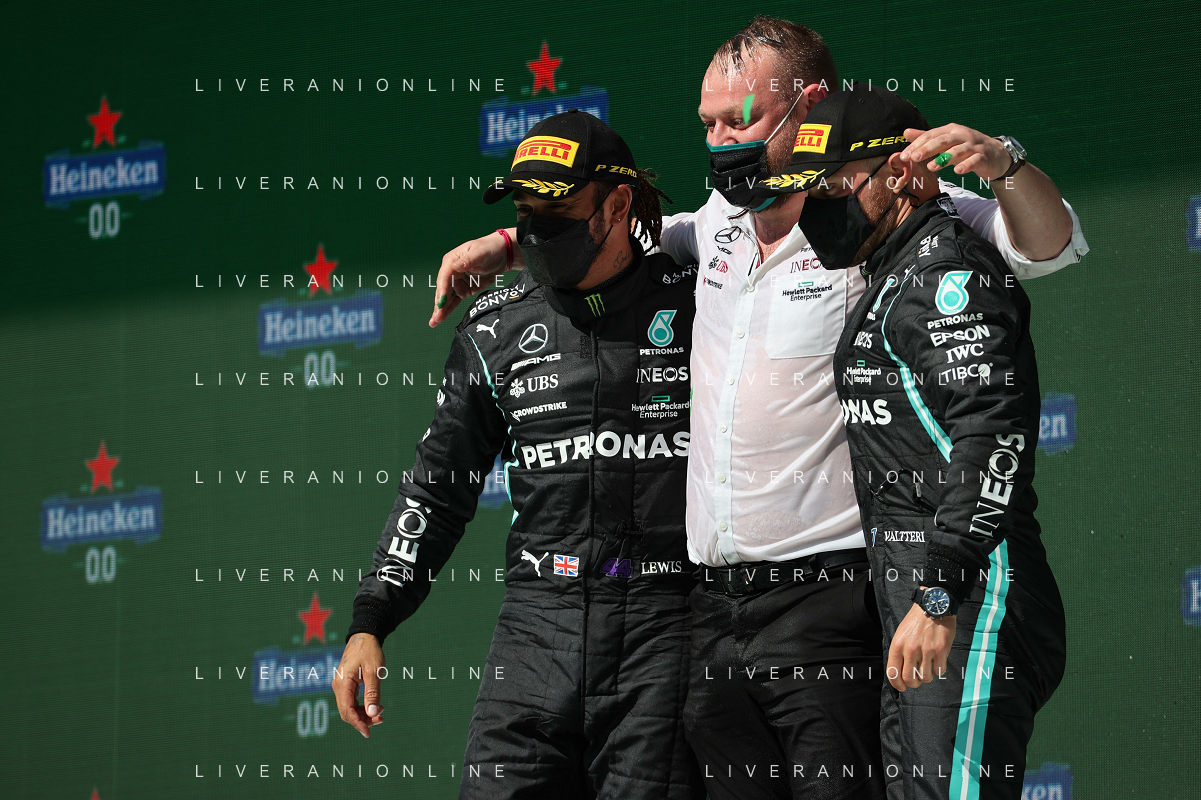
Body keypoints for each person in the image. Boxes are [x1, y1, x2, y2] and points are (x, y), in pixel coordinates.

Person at [427, 16, 1088, 799]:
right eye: (706, 123)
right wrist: (510, 242)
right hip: (712, 610)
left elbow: (1044, 246)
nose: (717, 142)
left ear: (807, 103)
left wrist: (1006, 165)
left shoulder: (877, 202)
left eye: (738, 120)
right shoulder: (715, 221)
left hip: (831, 597)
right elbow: (621, 238)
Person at [332, 109, 706, 800]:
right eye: (524, 213)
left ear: (617, 205)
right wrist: (371, 619)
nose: (537, 230)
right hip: (535, 627)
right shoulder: (494, 327)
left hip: (666, 627)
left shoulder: (703, 299)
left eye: (557, 210)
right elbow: (436, 489)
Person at [756, 82, 1066, 800]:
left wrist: (939, 592)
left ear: (898, 174)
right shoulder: (891, 270)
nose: (816, 208)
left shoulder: (942, 272)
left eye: (833, 187)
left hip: (970, 600)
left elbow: (991, 434)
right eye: (808, 191)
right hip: (923, 604)